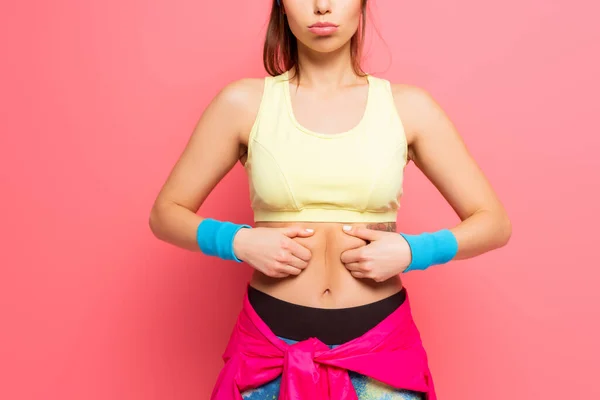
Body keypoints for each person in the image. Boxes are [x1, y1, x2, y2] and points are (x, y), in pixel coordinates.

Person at [149, 0, 512, 399]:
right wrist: (238, 241)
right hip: (268, 351)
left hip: (380, 352)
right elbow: (165, 214)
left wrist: (413, 250)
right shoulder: (242, 104)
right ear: (282, 7)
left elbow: (493, 222)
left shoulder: (409, 108)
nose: (322, 6)